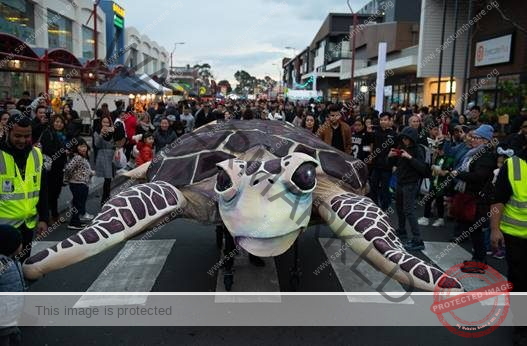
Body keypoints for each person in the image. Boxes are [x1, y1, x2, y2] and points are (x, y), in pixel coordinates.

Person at [490, 136, 527, 344]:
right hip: (516, 237)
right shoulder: (513, 165)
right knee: (520, 281)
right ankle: (520, 326)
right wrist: (495, 229)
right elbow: (498, 199)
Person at [0, 114, 48, 262]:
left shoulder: (37, 155)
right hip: (4, 229)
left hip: (28, 226)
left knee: (21, 267)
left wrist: (44, 218)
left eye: (27, 136)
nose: (22, 140)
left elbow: (43, 189)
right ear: (8, 132)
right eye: (17, 136)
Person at [451, 124, 496, 273]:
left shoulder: (487, 155)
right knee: (472, 229)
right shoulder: (474, 153)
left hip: (479, 198)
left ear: (485, 140)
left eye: (477, 138)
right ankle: (477, 258)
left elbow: (479, 176)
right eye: (473, 137)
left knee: (477, 230)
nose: (473, 140)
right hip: (470, 195)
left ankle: (480, 261)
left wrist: (458, 174)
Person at [389, 127, 430, 250]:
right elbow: (394, 164)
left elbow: (423, 168)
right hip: (400, 182)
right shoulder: (402, 147)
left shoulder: (418, 150)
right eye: (403, 138)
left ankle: (418, 239)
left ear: (412, 139)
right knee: (399, 208)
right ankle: (402, 230)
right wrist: (391, 156)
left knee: (409, 211)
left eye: (407, 139)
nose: (405, 140)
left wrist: (409, 157)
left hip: (411, 184)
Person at [39, 115, 69, 224]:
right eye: (56, 122)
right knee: (50, 193)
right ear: (52, 122)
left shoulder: (62, 135)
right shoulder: (48, 133)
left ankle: (54, 215)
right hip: (51, 168)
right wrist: (62, 152)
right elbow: (47, 150)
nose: (59, 124)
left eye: (61, 122)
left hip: (59, 168)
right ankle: (48, 217)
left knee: (56, 192)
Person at [0, 225, 25, 346]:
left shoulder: (13, 261)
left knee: (14, 336)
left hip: (11, 313)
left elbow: (17, 282)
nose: (22, 245)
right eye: (20, 242)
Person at [419, 142, 454, 227]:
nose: (438, 151)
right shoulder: (438, 157)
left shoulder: (449, 159)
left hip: (442, 184)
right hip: (435, 182)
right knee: (430, 200)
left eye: (440, 149)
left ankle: (440, 219)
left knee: (439, 201)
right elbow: (433, 169)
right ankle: (426, 218)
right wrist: (433, 163)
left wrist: (435, 168)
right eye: (438, 149)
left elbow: (445, 173)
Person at [64, 137, 94, 230]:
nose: (83, 148)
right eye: (81, 146)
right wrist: (67, 178)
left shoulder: (82, 157)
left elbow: (84, 169)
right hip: (77, 183)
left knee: (80, 203)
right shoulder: (77, 157)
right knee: (78, 203)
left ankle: (77, 221)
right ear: (76, 148)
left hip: (83, 183)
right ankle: (74, 222)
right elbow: (68, 168)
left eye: (84, 146)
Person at [368, 112, 396, 211]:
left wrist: (394, 165)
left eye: (385, 119)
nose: (383, 122)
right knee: (373, 187)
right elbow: (369, 145)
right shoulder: (375, 132)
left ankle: (385, 209)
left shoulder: (393, 134)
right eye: (381, 120)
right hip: (376, 165)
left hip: (387, 166)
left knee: (385, 189)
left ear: (390, 121)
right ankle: (375, 207)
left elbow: (395, 150)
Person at [94, 115, 116, 206]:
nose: (106, 124)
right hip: (103, 156)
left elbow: (118, 142)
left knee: (109, 179)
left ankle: (106, 197)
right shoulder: (97, 132)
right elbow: (97, 144)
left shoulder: (113, 131)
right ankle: (105, 199)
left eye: (107, 122)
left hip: (113, 157)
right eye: (104, 122)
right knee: (107, 179)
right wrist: (101, 134)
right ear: (101, 123)